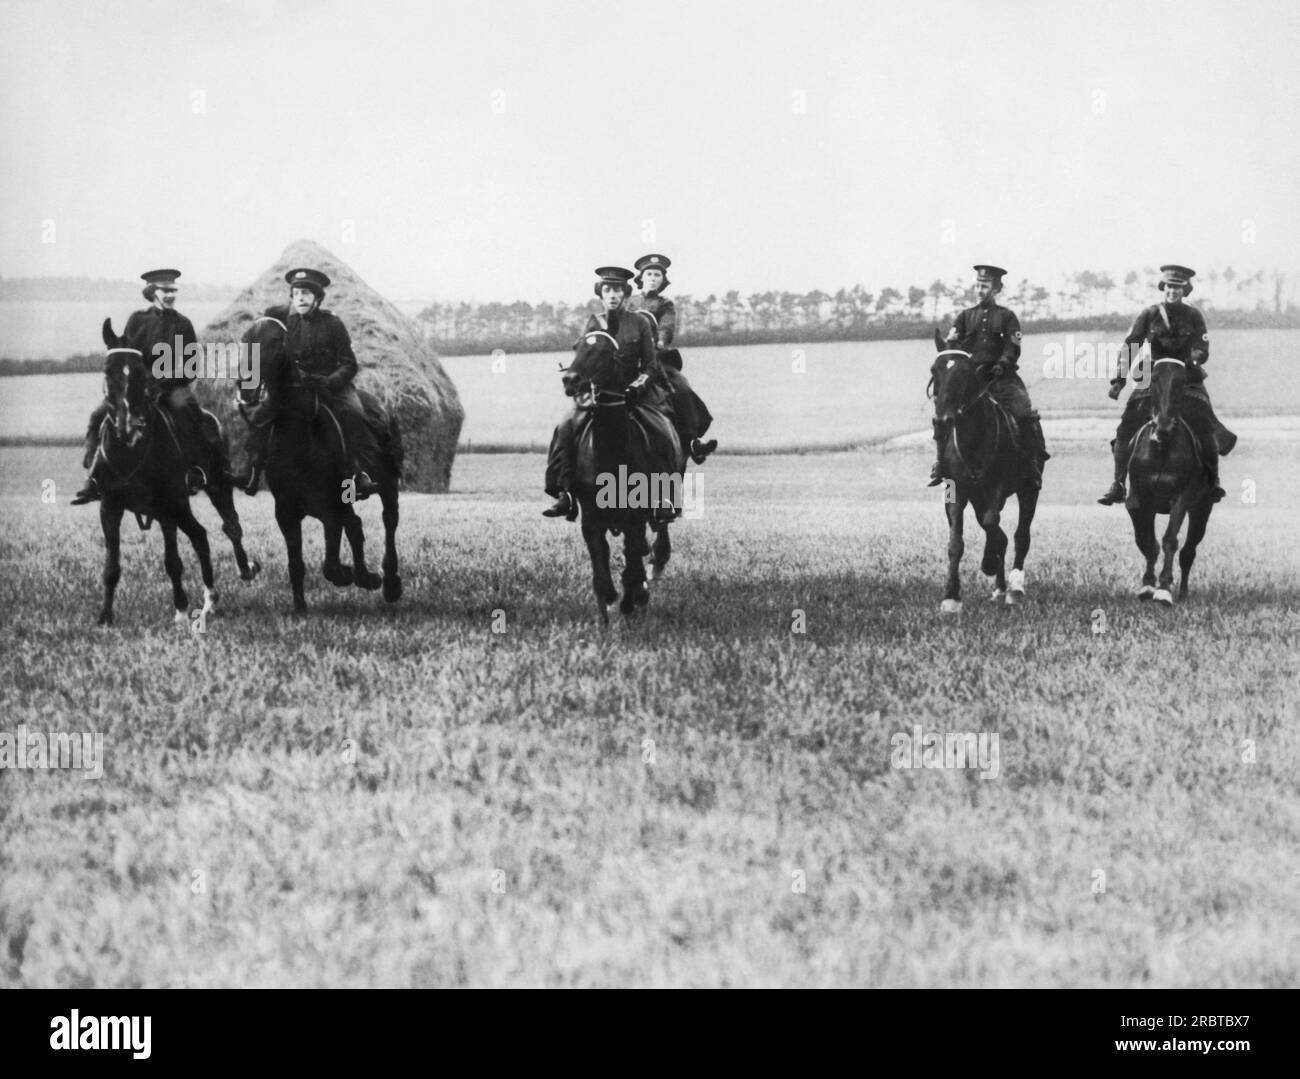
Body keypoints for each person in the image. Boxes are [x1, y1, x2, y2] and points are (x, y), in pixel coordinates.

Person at [73, 269, 225, 504]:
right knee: (98, 415)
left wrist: (164, 383)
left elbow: (191, 368)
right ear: (153, 292)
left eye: (174, 291)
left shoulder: (184, 324)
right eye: (166, 291)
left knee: (188, 413)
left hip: (173, 388)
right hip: (137, 389)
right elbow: (125, 356)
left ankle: (195, 470)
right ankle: (93, 477)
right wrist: (133, 383)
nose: (171, 295)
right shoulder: (136, 320)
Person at [1098, 264, 1236, 505]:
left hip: (1187, 376)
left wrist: (1194, 357)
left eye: (1178, 287)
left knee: (1205, 424)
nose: (1173, 291)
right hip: (1151, 374)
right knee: (1127, 424)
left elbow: (1203, 348)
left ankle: (1213, 481)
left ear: (1186, 290)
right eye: (1169, 286)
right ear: (1163, 288)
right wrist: (1119, 379)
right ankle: (1118, 483)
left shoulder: (1194, 316)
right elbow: (1131, 345)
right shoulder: (1149, 314)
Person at [237, 268, 380, 498]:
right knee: (261, 414)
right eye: (296, 293)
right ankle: (253, 468)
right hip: (297, 388)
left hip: (332, 388)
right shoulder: (287, 325)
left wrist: (329, 381)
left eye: (306, 293)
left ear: (317, 298)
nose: (300, 297)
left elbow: (349, 364)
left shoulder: (333, 323)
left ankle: (358, 475)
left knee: (353, 414)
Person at [543, 266, 672, 520]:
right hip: (598, 393)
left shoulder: (640, 322)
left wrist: (638, 385)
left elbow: (650, 364)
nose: (612, 294)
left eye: (617, 290)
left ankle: (663, 496)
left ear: (625, 294)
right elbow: (582, 357)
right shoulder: (594, 322)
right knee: (566, 427)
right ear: (601, 294)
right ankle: (565, 493)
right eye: (607, 289)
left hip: (633, 393)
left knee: (661, 431)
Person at [929, 264, 1049, 488]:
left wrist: (1003, 363)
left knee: (1024, 412)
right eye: (978, 285)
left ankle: (1032, 463)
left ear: (996, 290)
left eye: (985, 286)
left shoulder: (1008, 317)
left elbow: (1013, 347)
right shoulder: (964, 317)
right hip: (971, 381)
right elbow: (953, 345)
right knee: (944, 415)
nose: (980, 290)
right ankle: (941, 465)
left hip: (1002, 378)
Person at [628, 253, 716, 464]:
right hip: (628, 358)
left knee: (682, 388)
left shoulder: (666, 304)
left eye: (657, 275)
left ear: (662, 280)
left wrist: (658, 343)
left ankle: (692, 440)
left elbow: (666, 328)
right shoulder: (629, 302)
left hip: (657, 359)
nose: (652, 278)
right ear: (641, 277)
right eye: (649, 274)